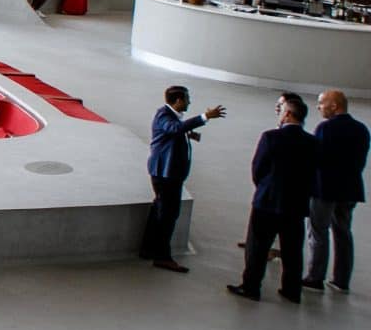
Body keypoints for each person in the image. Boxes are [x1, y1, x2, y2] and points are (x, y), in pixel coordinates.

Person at [229, 93, 318, 302]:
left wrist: (264, 188)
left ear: (287, 114)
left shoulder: (271, 137)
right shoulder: (313, 143)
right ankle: (291, 290)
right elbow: (314, 173)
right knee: (293, 250)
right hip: (296, 205)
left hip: (267, 202)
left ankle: (251, 287)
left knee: (257, 248)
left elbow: (258, 168)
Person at [141, 85, 224, 271]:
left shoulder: (171, 116)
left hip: (167, 173)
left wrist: (189, 134)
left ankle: (149, 249)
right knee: (168, 215)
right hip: (166, 174)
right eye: (187, 99)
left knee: (161, 211)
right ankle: (162, 256)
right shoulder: (164, 115)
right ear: (178, 101)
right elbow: (174, 129)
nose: (189, 102)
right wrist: (205, 116)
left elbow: (177, 130)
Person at [303, 89, 365, 293]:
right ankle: (341, 280)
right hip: (350, 190)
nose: (318, 107)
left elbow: (315, 158)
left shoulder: (325, 128)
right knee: (343, 233)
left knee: (318, 232)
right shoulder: (361, 129)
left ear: (334, 106)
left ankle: (315, 277)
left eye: (321, 103)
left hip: (325, 189)